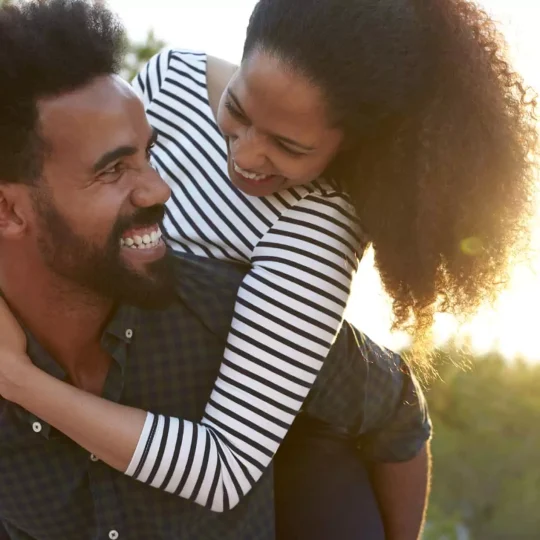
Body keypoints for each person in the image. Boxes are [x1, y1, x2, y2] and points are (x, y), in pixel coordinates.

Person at [0, 1, 432, 539]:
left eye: (289, 145)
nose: (246, 155)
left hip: (264, 435)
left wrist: (21, 381)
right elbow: (59, 169)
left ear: (346, 147)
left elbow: (225, 466)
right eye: (240, 110)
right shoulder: (172, 78)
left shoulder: (317, 224)